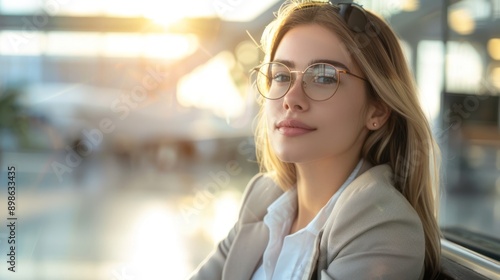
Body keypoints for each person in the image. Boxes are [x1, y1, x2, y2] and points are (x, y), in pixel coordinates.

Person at [189, 1, 441, 279]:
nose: (291, 99)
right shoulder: (263, 197)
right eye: (282, 76)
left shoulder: (385, 226)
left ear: (377, 110)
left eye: (323, 77)